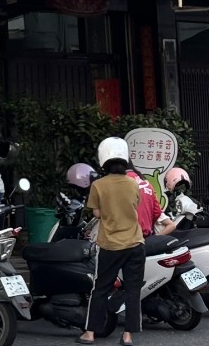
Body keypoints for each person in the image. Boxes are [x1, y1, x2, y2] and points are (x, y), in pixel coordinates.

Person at [79, 137, 144, 346]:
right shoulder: (133, 183)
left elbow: (97, 213)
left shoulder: (98, 185)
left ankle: (90, 333)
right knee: (132, 291)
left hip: (110, 245)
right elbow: (134, 206)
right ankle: (128, 336)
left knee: (100, 289)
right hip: (135, 243)